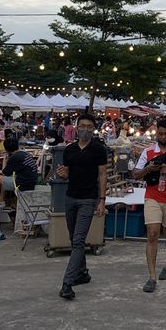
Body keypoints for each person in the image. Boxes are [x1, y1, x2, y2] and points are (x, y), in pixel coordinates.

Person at [55, 113, 108, 300]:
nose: (85, 129)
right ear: (77, 128)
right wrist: (63, 174)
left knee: (78, 240)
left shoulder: (99, 149)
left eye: (89, 126)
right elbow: (68, 172)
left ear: (93, 129)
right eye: (82, 125)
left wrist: (102, 200)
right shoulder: (69, 150)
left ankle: (67, 283)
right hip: (71, 197)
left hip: (89, 198)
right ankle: (82, 272)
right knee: (73, 238)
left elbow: (102, 175)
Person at [133, 118, 166, 293]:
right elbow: (136, 174)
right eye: (160, 133)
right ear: (156, 133)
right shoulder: (148, 152)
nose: (163, 137)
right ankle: (151, 276)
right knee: (152, 233)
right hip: (152, 197)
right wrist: (148, 169)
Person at [0, 137, 38, 207]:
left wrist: (4, 159)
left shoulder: (14, 157)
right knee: (4, 178)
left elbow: (6, 173)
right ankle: (1, 200)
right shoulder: (25, 154)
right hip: (31, 181)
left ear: (6, 149)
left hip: (23, 184)